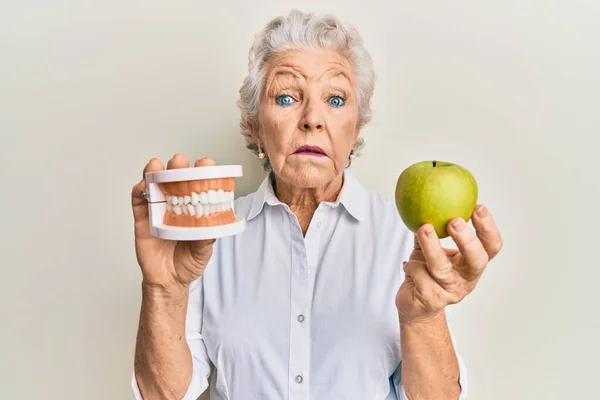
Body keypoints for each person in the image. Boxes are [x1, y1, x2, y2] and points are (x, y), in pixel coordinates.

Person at [130, 9, 503, 400]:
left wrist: (423, 316)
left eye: (336, 100)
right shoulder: (206, 237)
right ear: (255, 125)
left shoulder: (406, 237)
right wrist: (164, 291)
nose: (312, 119)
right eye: (287, 97)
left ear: (357, 126)